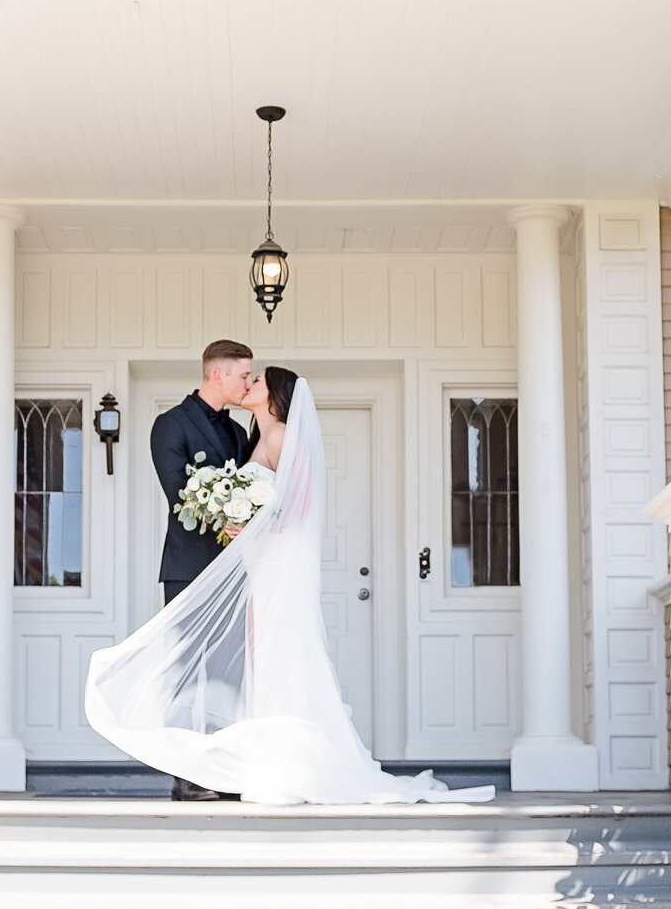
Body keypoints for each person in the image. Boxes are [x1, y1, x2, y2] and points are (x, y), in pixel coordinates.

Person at [86, 365, 494, 807]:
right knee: (260, 666)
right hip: (256, 566)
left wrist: (250, 523)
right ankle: (262, 765)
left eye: (256, 380)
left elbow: (295, 508)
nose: (249, 384)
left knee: (277, 658)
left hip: (275, 565)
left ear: (275, 396)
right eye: (246, 376)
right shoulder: (252, 436)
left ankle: (291, 769)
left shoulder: (280, 436)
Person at [147, 338, 254, 800]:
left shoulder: (236, 432)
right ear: (218, 375)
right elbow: (179, 494)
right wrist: (228, 519)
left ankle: (223, 771)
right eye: (244, 375)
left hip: (234, 572)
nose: (249, 382)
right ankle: (186, 776)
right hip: (189, 568)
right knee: (189, 673)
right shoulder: (170, 425)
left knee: (229, 674)